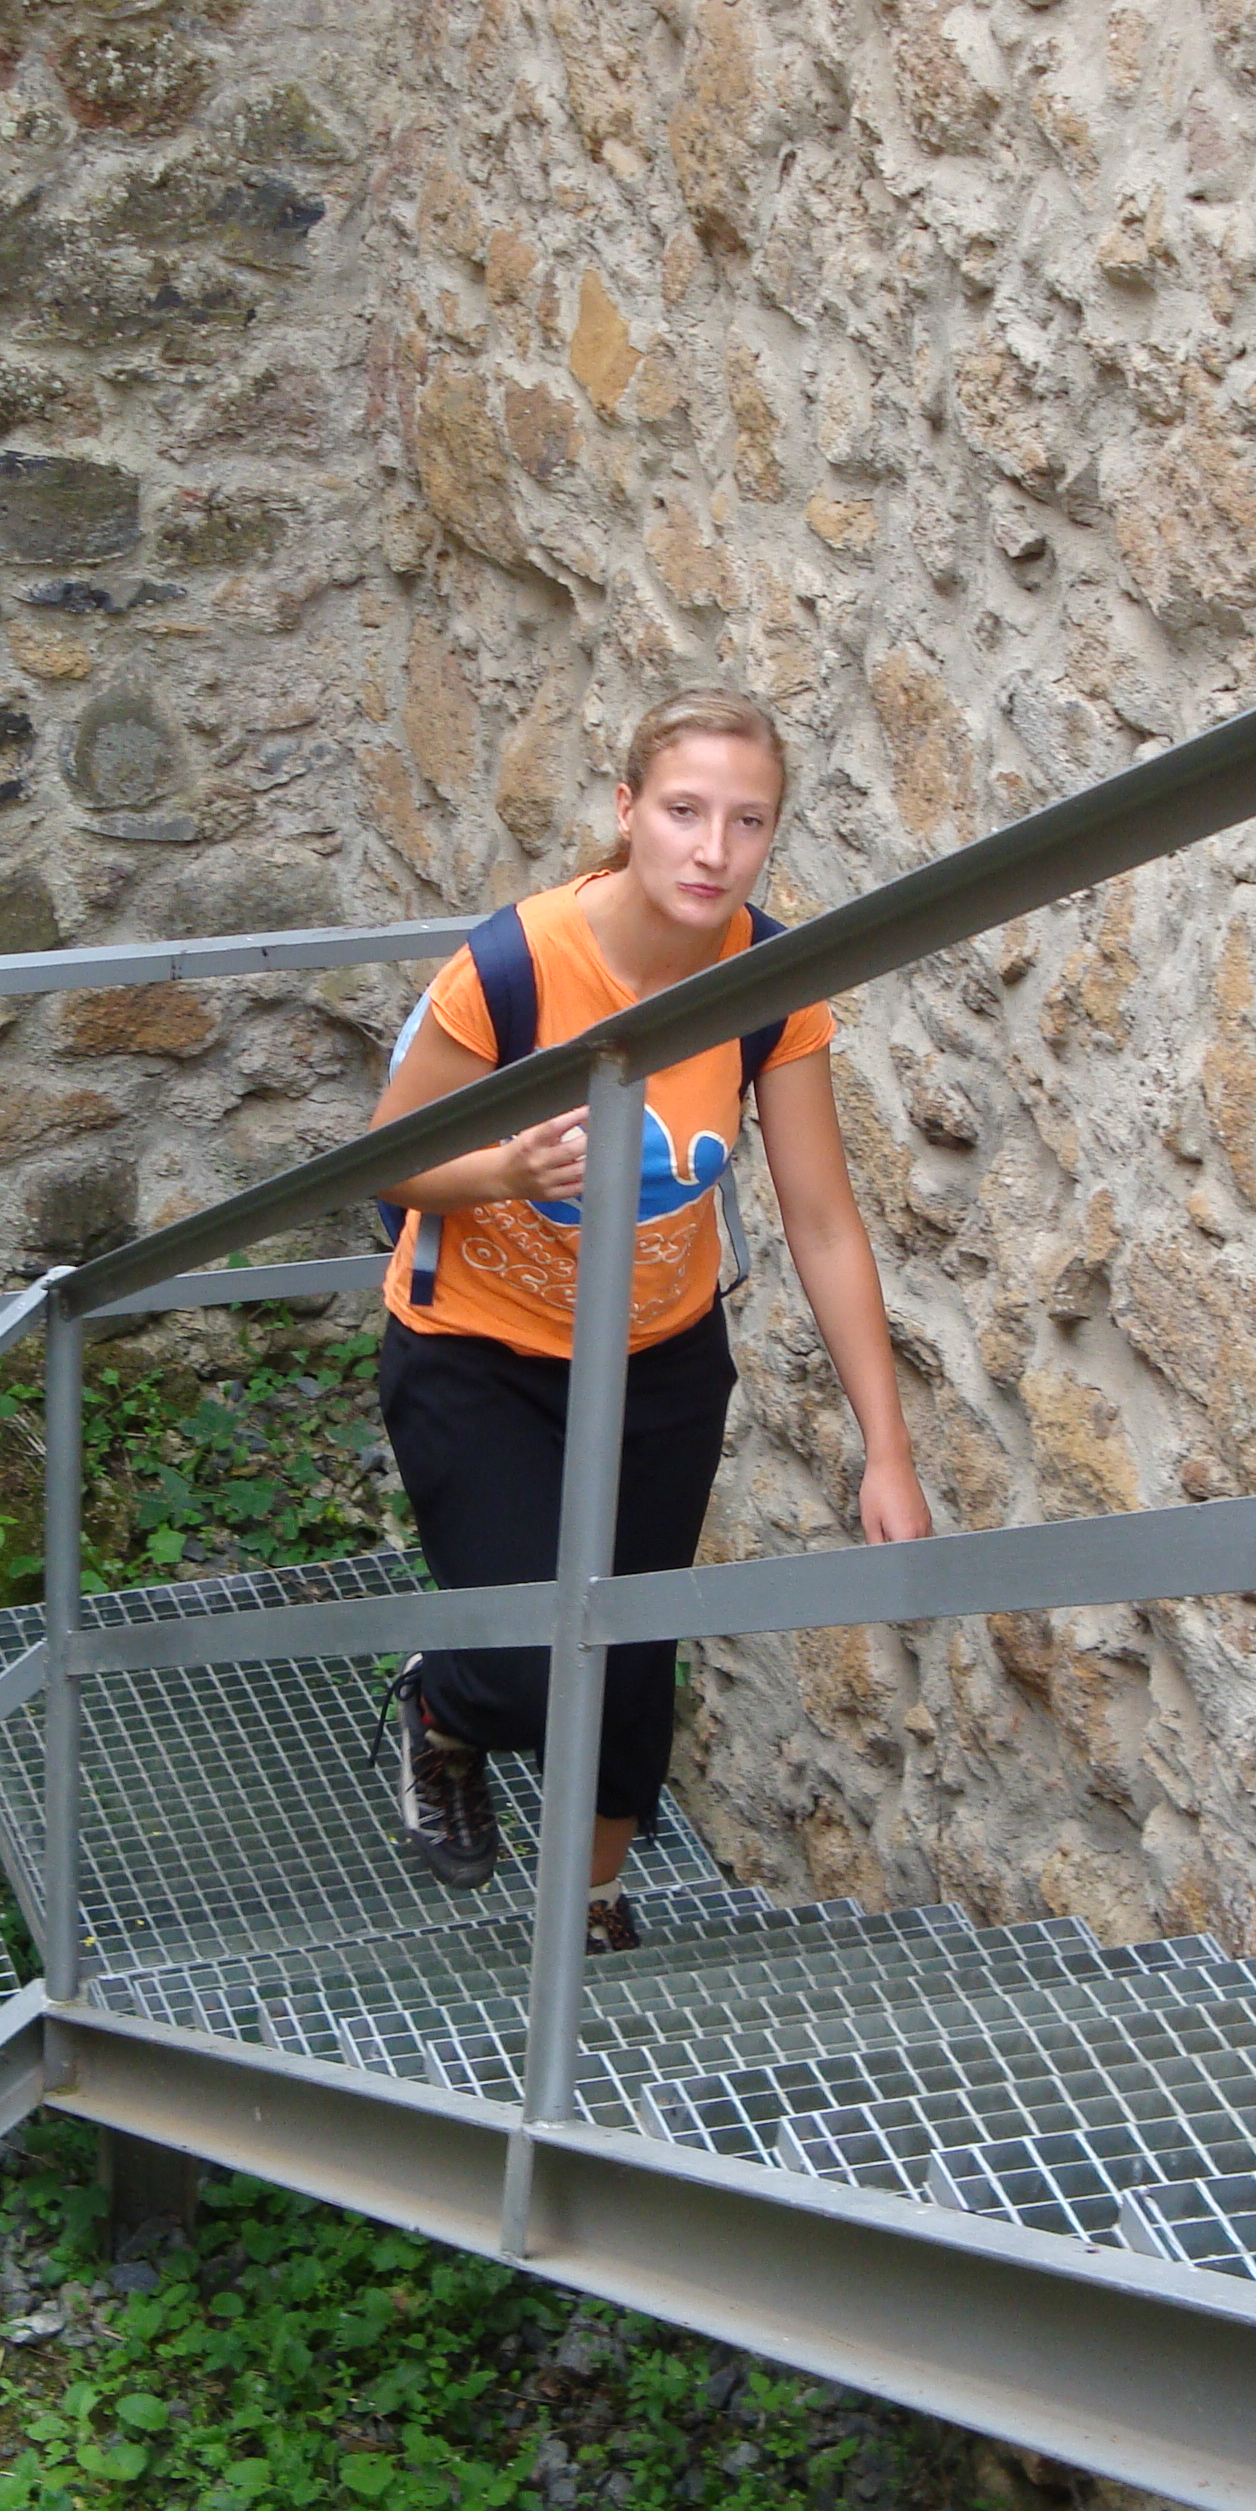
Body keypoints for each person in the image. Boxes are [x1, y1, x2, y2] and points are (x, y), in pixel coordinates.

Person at [365, 687, 933, 1952]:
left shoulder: (772, 984)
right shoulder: (513, 968)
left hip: (661, 1361)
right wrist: (505, 1171)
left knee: (630, 1654)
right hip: (478, 1352)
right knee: (526, 1657)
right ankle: (446, 1707)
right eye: (683, 811)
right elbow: (388, 1161)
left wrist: (886, 1449)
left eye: (748, 821)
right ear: (627, 812)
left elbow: (823, 1222)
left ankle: (589, 1904)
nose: (713, 849)